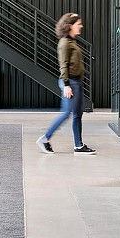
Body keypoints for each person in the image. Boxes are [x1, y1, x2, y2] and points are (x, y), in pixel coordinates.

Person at [36, 12, 96, 155]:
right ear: (70, 26)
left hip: (77, 82)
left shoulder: (72, 41)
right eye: (78, 24)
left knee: (77, 115)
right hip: (71, 83)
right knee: (66, 114)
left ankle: (78, 145)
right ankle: (45, 139)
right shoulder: (64, 43)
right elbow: (63, 65)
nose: (81, 26)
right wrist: (67, 85)